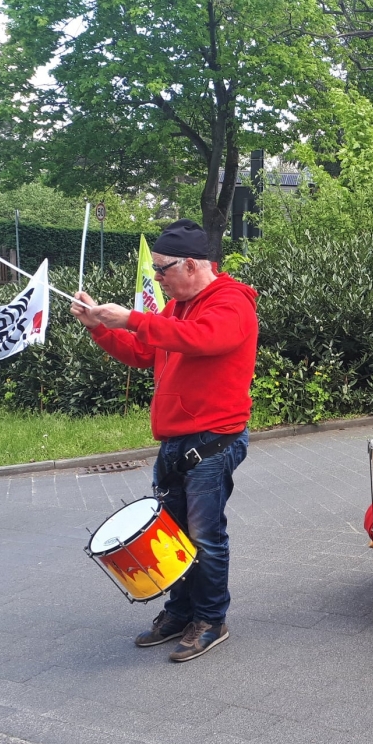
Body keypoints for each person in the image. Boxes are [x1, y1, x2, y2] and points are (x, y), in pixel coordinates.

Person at [71, 219, 258, 663]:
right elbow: (143, 352)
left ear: (191, 265)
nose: (157, 277)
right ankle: (180, 613)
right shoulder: (176, 308)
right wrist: (99, 327)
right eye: (155, 269)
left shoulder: (232, 302)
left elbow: (203, 339)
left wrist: (134, 318)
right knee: (174, 534)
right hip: (176, 439)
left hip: (213, 439)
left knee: (205, 535)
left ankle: (210, 620)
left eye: (162, 269)